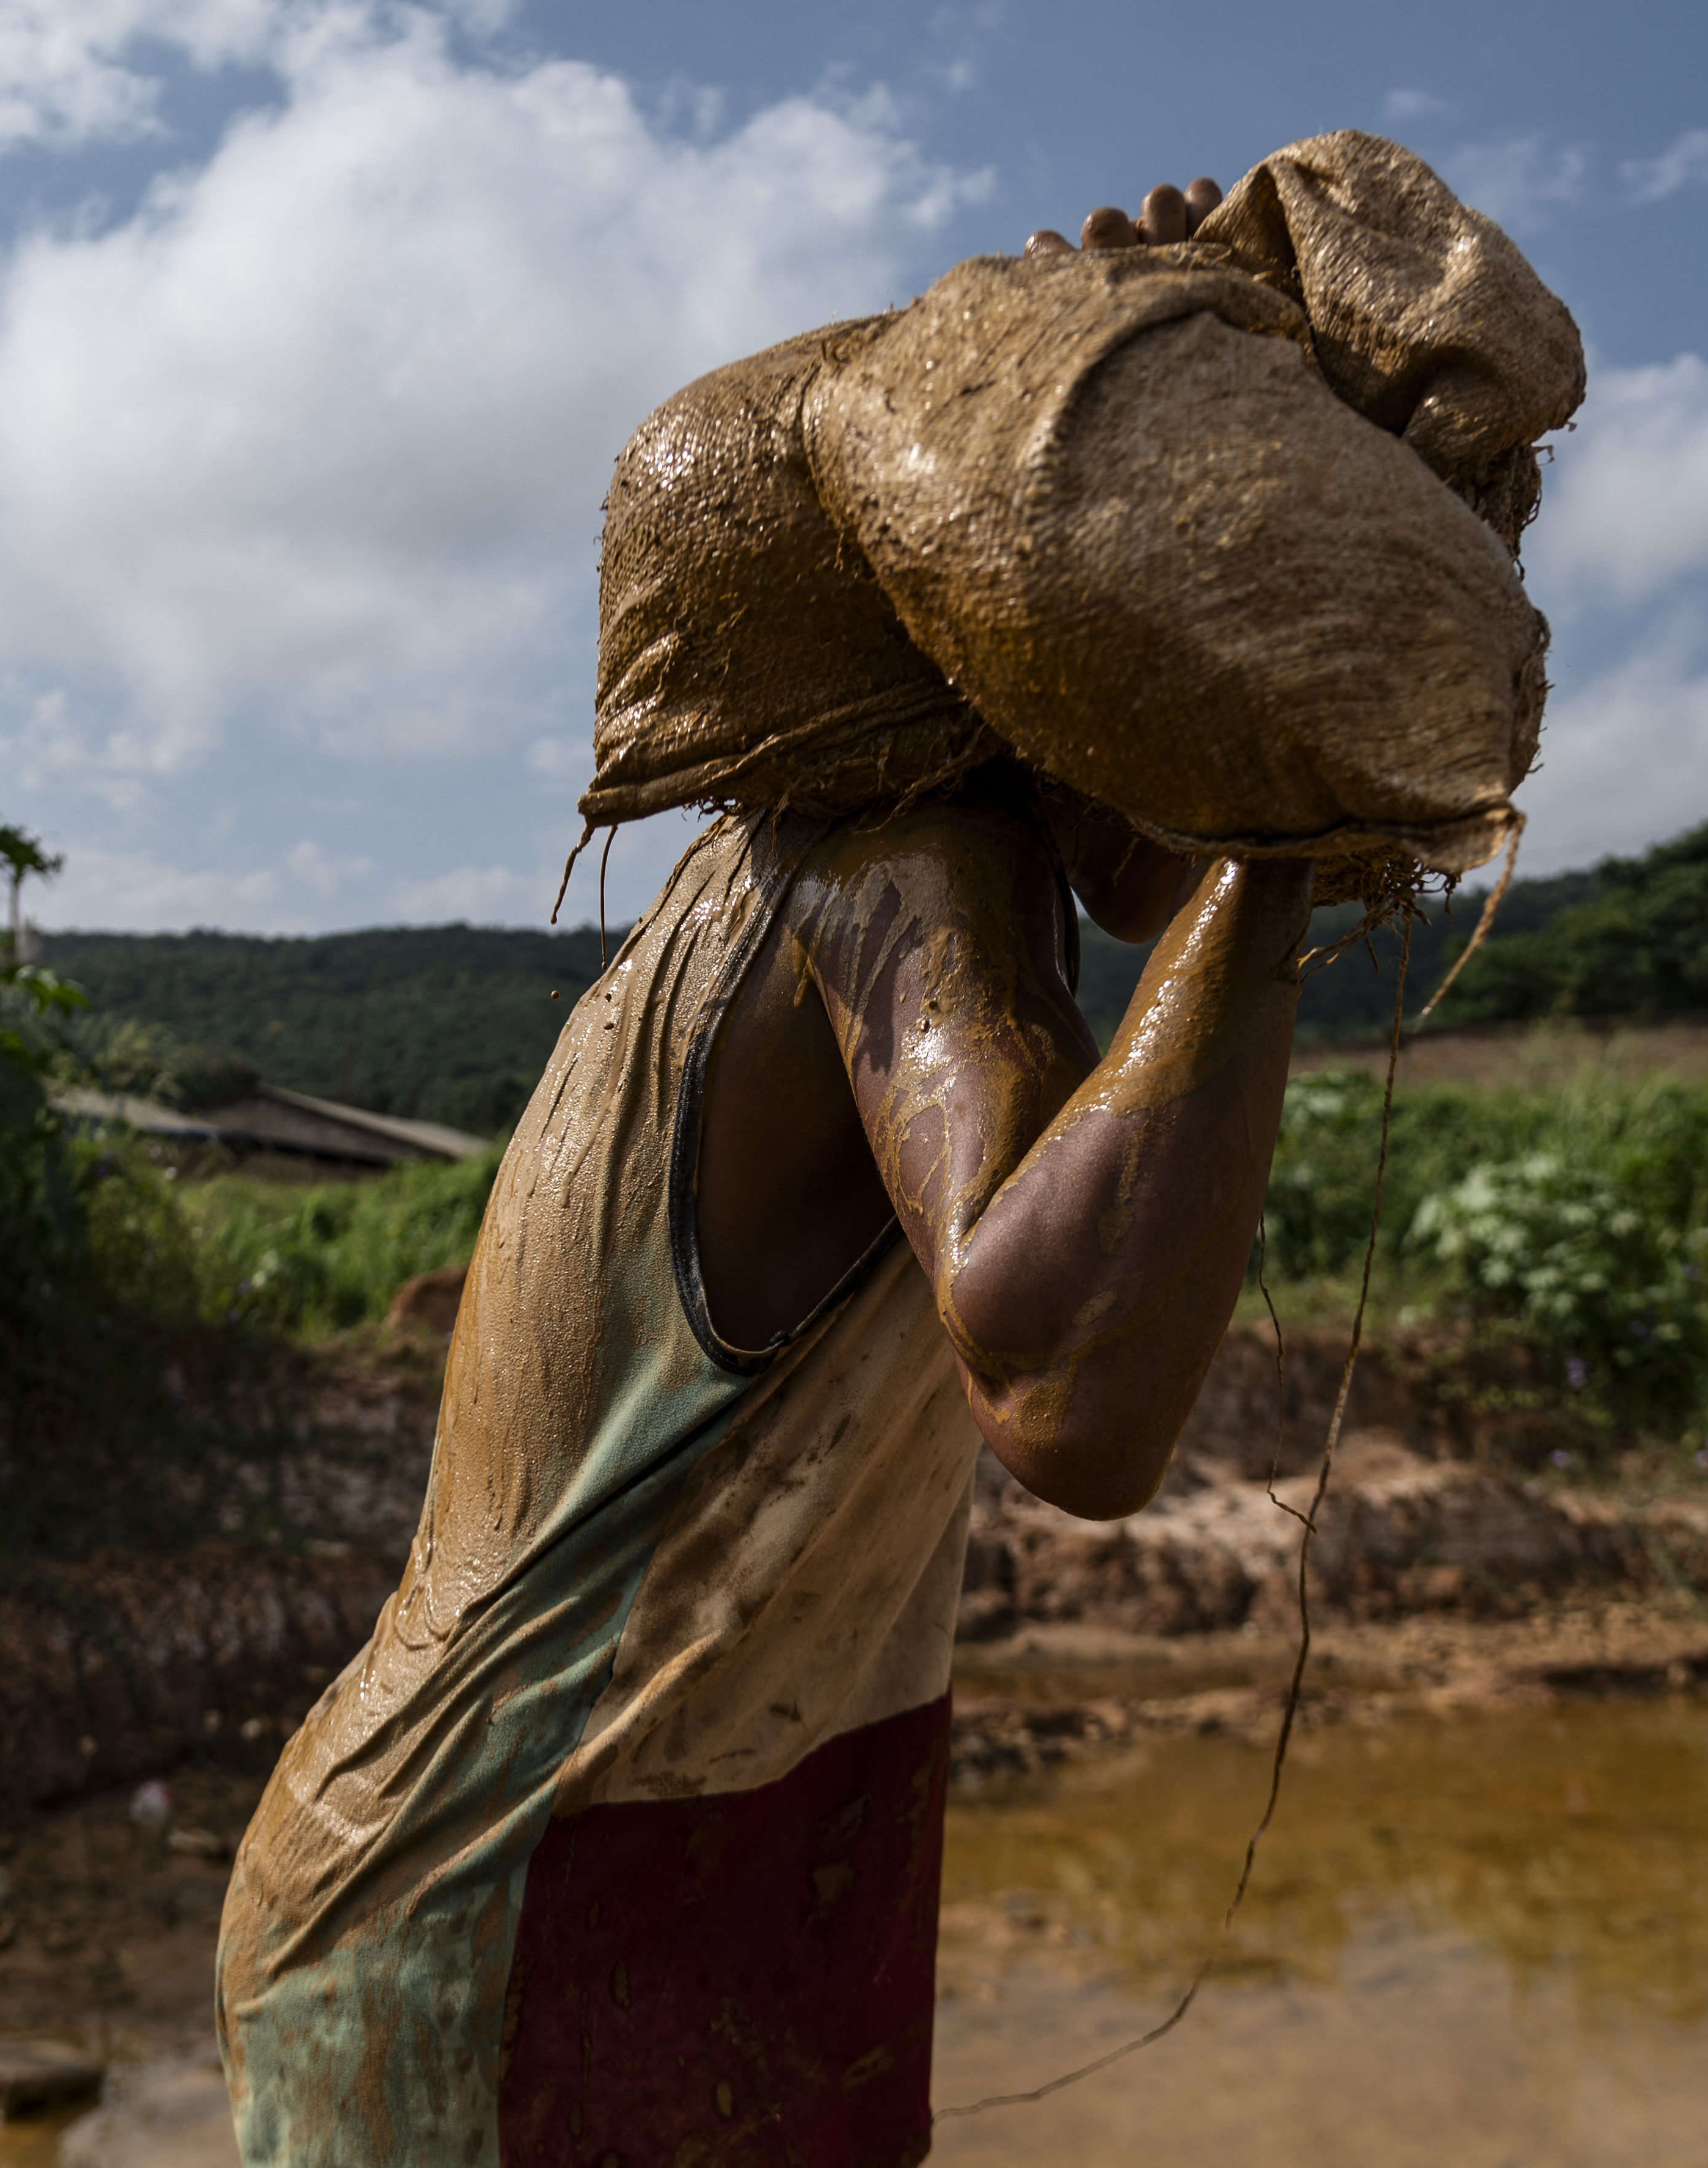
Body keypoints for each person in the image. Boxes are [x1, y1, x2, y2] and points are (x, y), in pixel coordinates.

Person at [217, 183, 1316, 2167]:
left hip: (674, 1858)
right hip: (533, 1888)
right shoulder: (898, 841)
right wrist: (1292, 831)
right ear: (1031, 650)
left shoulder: (889, 867)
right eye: (1189, 639)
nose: (1207, 693)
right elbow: (1071, 1378)